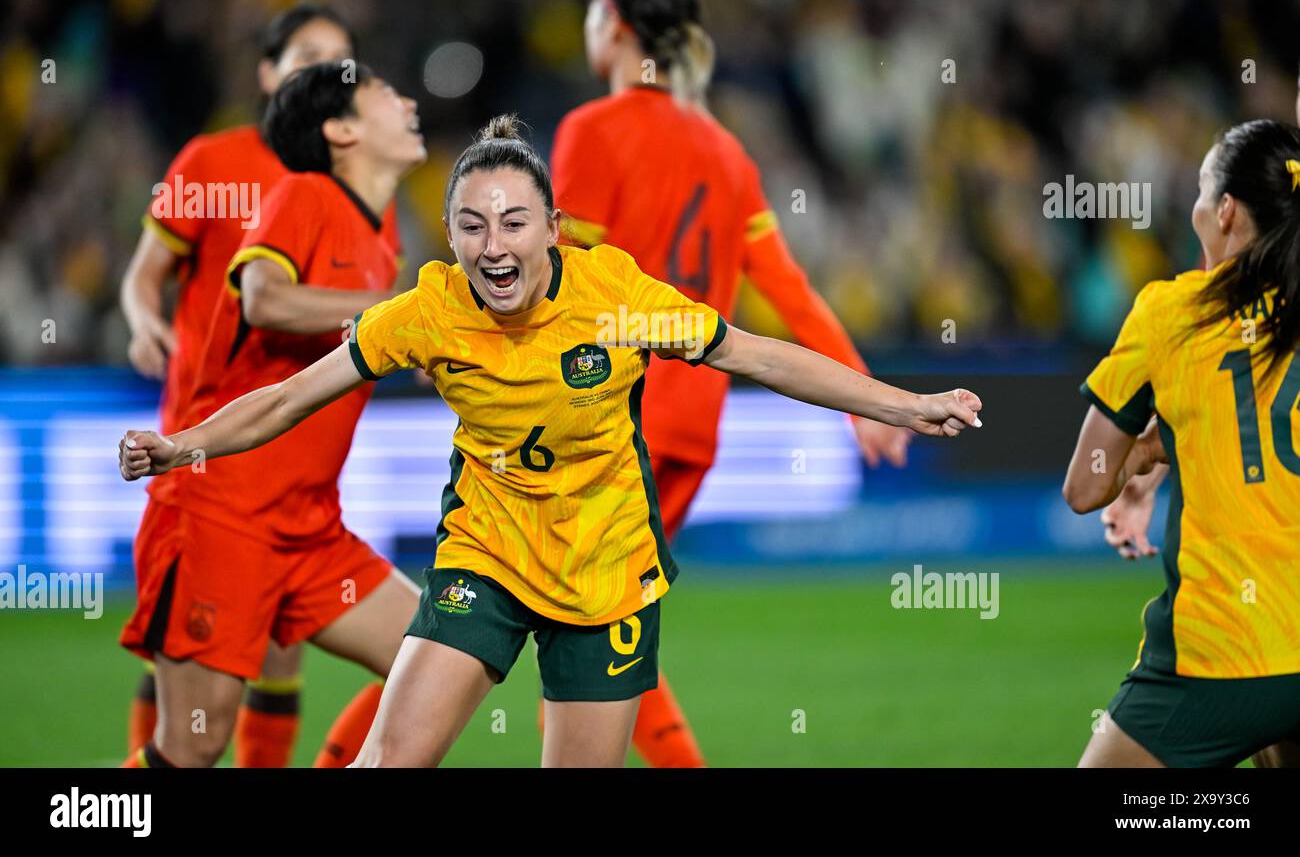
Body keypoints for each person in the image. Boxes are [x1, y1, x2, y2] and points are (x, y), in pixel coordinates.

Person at [118, 114, 983, 767]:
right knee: (387, 760)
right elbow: (288, 398)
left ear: (554, 227)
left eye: (514, 223)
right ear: (451, 233)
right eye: (471, 225)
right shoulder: (430, 308)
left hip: (605, 569)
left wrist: (898, 405)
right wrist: (180, 443)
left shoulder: (616, 296)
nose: (493, 248)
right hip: (486, 555)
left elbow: (758, 355)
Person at [550, 0, 911, 766]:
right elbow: (790, 290)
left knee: (490, 619)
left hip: (609, 424)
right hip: (691, 428)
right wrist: (865, 396)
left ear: (612, 23)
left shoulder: (590, 132)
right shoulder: (724, 150)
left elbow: (559, 280)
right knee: (596, 633)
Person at [118, 60, 426, 767]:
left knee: (437, 653)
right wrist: (396, 313)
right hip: (222, 512)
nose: (408, 100)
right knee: (195, 745)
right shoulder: (305, 194)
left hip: (310, 526)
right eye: (385, 93)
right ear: (340, 129)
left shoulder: (383, 237)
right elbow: (265, 298)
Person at [1065, 119, 1300, 767]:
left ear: (1223, 212)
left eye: (1199, 190)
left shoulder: (1172, 312)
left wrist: (1140, 454)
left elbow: (1085, 487)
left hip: (1223, 651)